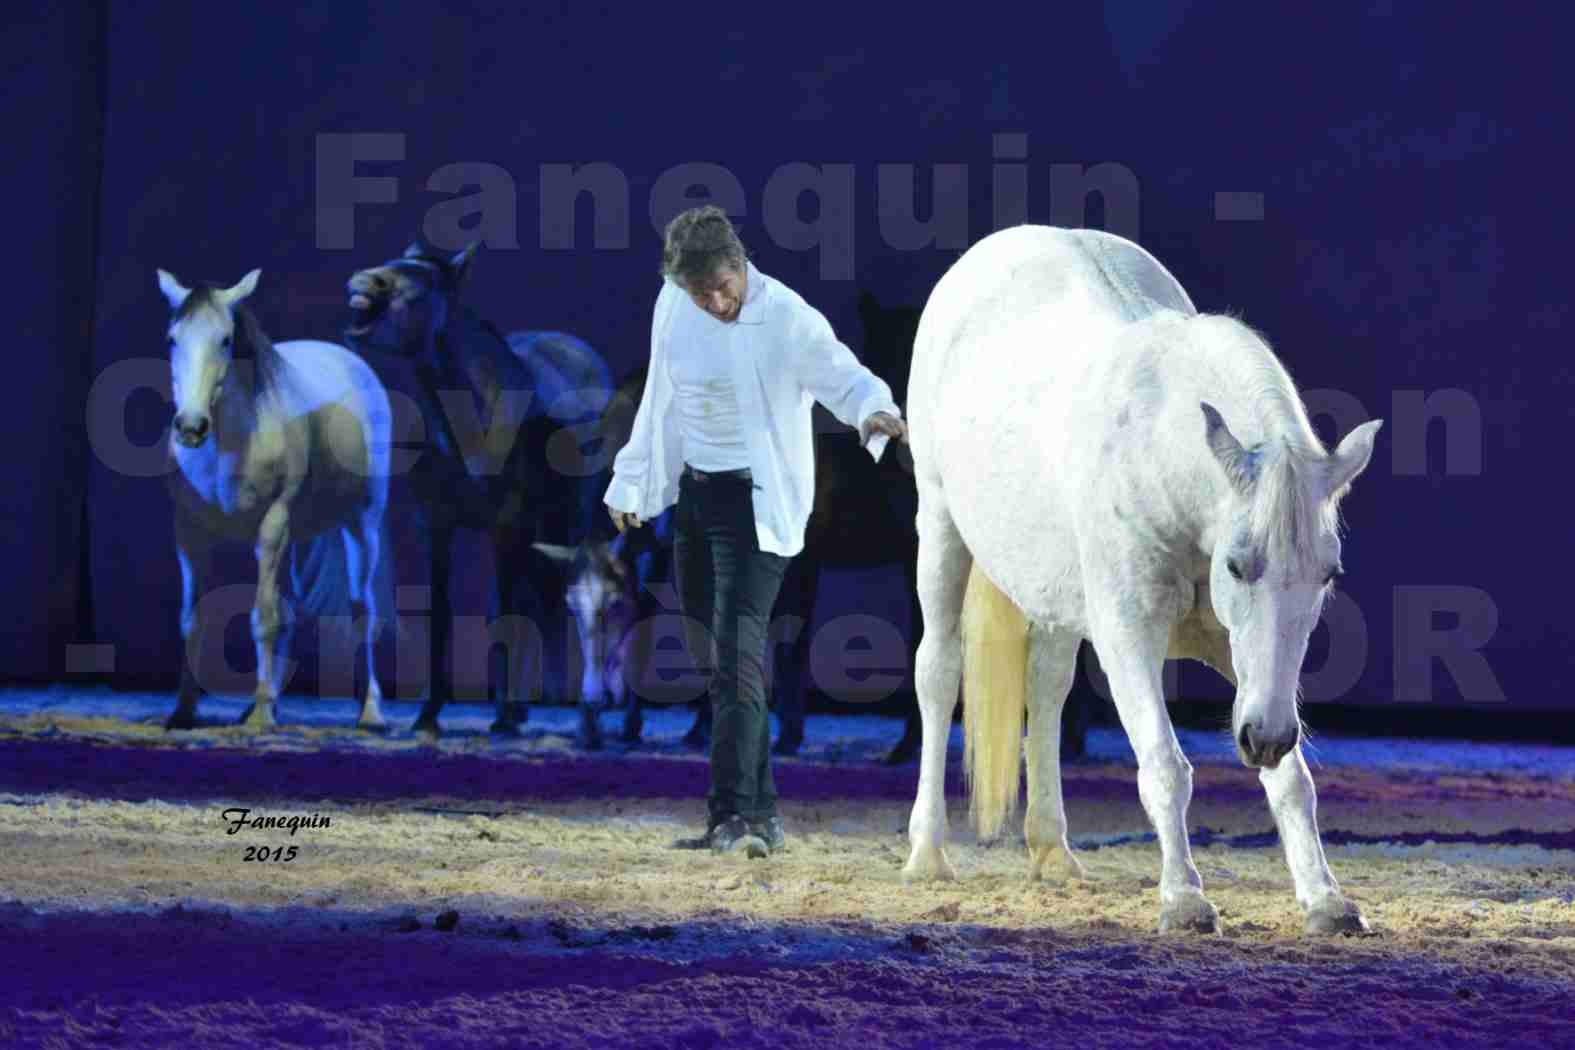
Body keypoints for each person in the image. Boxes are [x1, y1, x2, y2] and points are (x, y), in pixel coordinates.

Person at [604, 206, 908, 857]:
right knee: (715, 660)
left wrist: (874, 409)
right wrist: (634, 482)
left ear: (739, 265)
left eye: (721, 287)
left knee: (737, 657)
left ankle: (733, 819)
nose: (713, 302)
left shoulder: (787, 317)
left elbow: (840, 372)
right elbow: (661, 395)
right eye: (698, 292)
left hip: (759, 506)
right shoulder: (674, 304)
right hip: (695, 500)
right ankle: (758, 812)